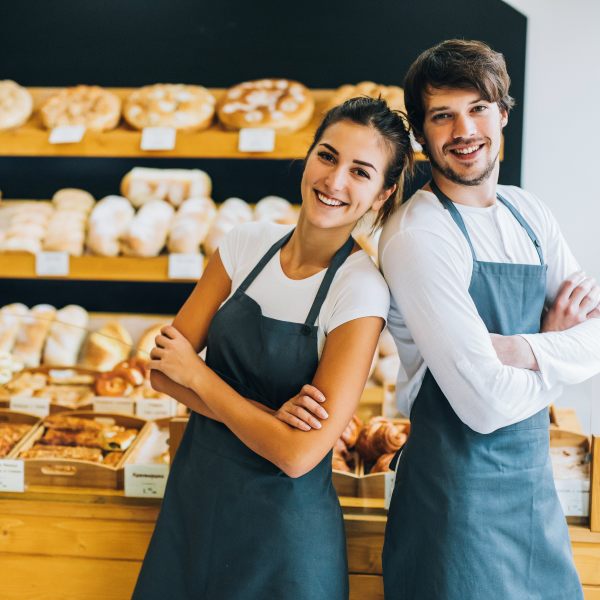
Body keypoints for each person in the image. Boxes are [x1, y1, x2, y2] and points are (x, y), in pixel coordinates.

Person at [132, 97, 413, 600]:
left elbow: (300, 454)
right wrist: (267, 418)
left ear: (381, 194)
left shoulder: (360, 290)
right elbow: (161, 371)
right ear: (308, 157)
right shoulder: (245, 244)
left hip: (285, 540)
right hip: (195, 507)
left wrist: (199, 378)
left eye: (360, 171)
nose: (335, 181)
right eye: (327, 156)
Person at [378, 39, 600, 599]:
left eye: (478, 108)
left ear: (502, 112)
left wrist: (524, 349)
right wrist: (554, 342)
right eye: (443, 116)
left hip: (532, 492)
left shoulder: (530, 214)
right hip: (454, 507)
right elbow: (484, 406)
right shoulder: (418, 234)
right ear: (421, 133)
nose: (464, 130)